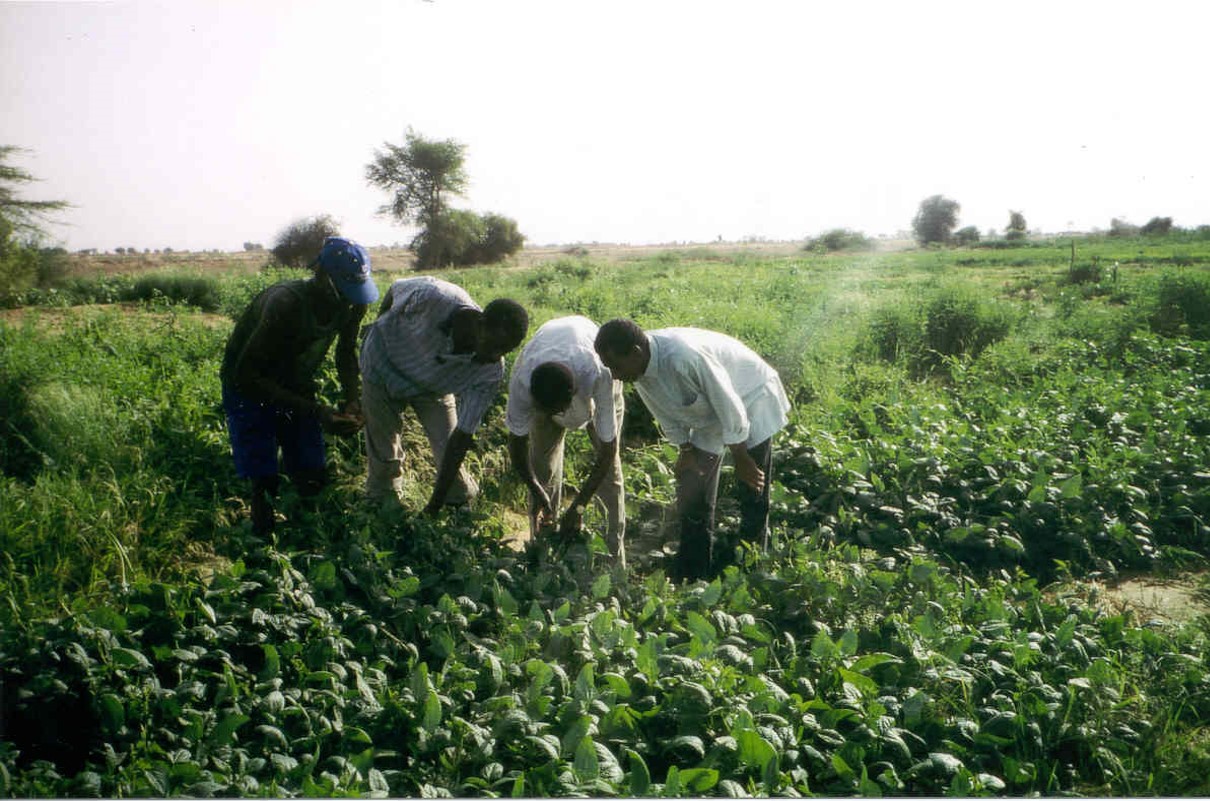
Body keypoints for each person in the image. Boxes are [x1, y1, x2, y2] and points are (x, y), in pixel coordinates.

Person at [594, 319, 790, 581]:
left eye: (615, 366)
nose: (614, 375)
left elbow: (728, 404)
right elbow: (664, 413)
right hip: (708, 414)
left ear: (636, 353)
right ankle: (694, 575)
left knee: (753, 488)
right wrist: (686, 450)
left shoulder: (681, 357)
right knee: (692, 491)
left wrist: (741, 457)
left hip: (750, 396)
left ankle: (754, 569)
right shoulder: (638, 371)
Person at [221, 236, 377, 535]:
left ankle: (306, 541)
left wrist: (352, 399)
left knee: (312, 472)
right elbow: (247, 375)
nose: (349, 300)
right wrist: (317, 411)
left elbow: (345, 351)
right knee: (264, 477)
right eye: (342, 291)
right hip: (248, 387)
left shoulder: (353, 303)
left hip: (296, 383)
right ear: (322, 276)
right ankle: (262, 547)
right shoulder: (286, 302)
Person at [359, 276, 528, 514]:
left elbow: (462, 437)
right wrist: (379, 322)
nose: (495, 356)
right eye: (492, 345)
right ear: (480, 324)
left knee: (450, 459)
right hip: (382, 364)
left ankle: (457, 505)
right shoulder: (435, 297)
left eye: (505, 351)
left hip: (433, 387)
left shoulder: (490, 370)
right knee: (384, 455)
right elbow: (395, 290)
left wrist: (434, 506)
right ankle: (384, 509)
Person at [505, 315, 627, 564]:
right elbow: (517, 447)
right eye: (546, 411)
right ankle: (543, 554)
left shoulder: (599, 374)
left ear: (572, 398)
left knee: (610, 477)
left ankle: (613, 560)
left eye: (558, 411)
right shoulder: (523, 382)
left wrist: (578, 507)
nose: (555, 417)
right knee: (540, 469)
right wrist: (536, 489)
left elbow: (607, 452)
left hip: (589, 369)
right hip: (548, 365)